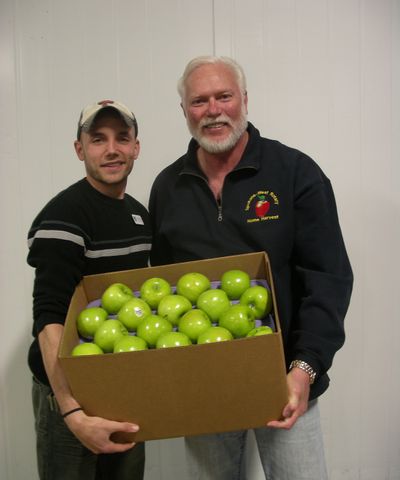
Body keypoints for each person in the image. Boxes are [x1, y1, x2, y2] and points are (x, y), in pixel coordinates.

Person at [149, 56, 353, 479]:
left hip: (286, 382)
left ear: (244, 99)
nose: (213, 110)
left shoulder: (295, 172)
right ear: (184, 111)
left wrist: (305, 369)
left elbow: (328, 279)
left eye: (224, 96)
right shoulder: (168, 187)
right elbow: (162, 288)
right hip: (205, 388)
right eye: (198, 101)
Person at [27, 100, 152, 480]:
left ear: (135, 147)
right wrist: (71, 411)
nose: (111, 149)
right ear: (80, 149)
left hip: (122, 385)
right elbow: (48, 318)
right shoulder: (64, 216)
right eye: (98, 139)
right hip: (71, 394)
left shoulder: (138, 214)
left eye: (121, 138)